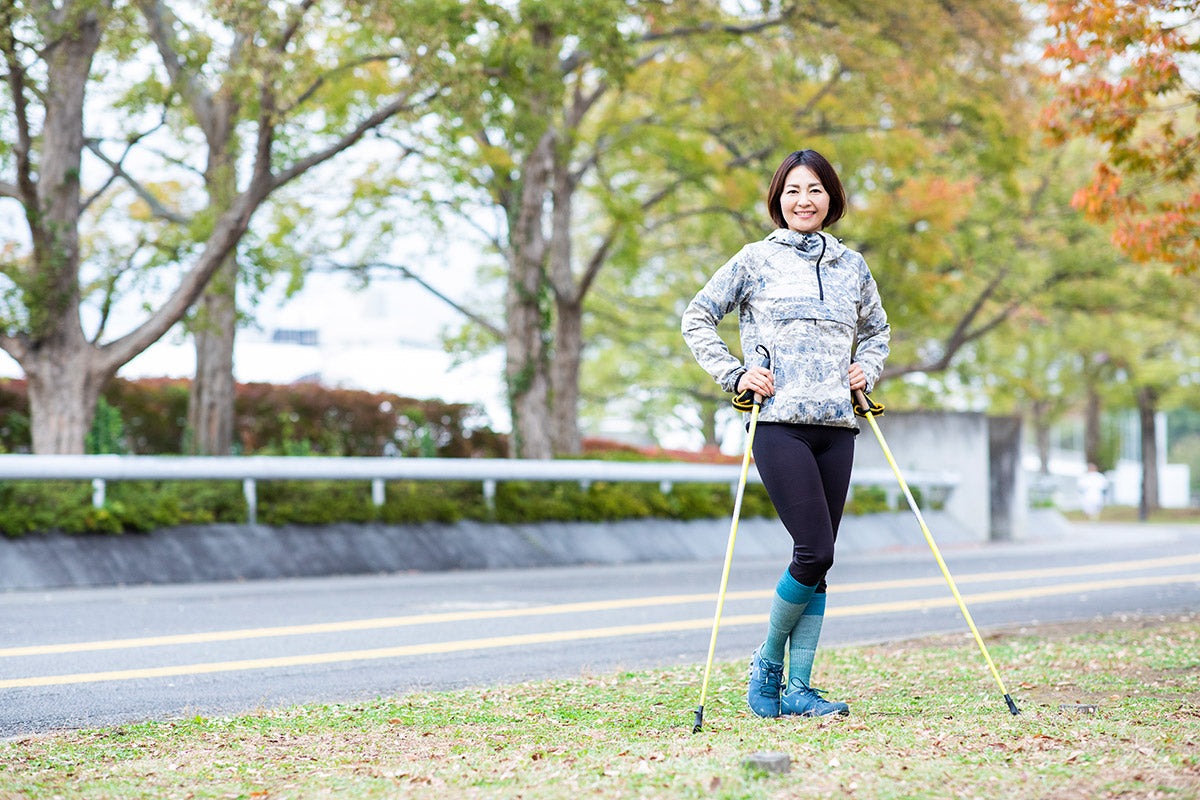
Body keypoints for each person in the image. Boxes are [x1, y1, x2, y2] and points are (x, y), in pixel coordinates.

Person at [681, 149, 890, 719]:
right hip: (778, 424)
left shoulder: (852, 266)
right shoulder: (753, 260)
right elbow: (697, 316)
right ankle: (767, 663)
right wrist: (735, 372)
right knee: (814, 549)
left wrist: (865, 370)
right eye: (794, 190)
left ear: (832, 199)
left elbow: (878, 330)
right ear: (778, 199)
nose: (805, 200)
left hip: (837, 427)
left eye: (816, 190)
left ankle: (798, 690)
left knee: (821, 560)